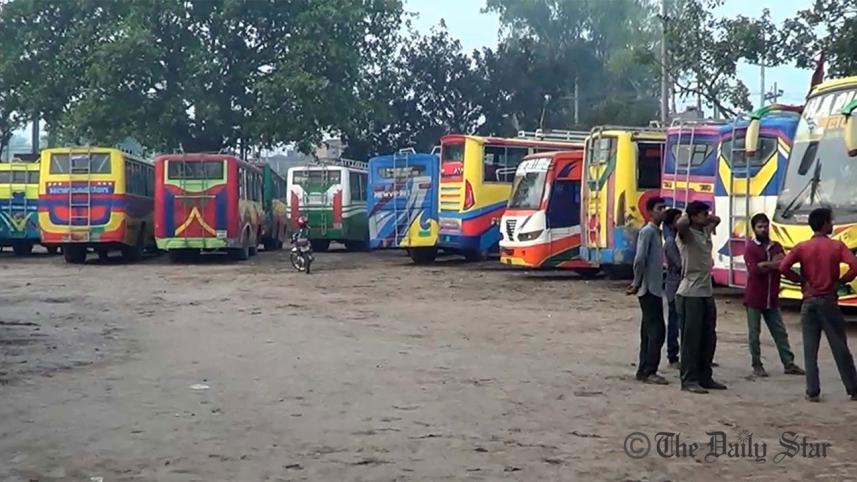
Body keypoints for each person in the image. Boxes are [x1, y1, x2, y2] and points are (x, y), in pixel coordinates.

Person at [780, 208, 857, 402]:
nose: (832, 224)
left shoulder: (802, 247)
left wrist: (800, 281)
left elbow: (783, 267)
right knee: (840, 347)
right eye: (830, 221)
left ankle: (812, 391)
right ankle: (853, 388)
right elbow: (855, 265)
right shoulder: (836, 246)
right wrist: (842, 281)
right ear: (824, 224)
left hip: (808, 301)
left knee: (810, 349)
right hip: (829, 300)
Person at [743, 213, 804, 378]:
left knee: (780, 332)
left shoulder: (776, 245)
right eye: (760, 227)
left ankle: (789, 363)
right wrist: (775, 264)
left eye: (765, 226)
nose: (763, 230)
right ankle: (757, 364)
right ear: (754, 229)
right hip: (755, 298)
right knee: (754, 334)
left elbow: (784, 266)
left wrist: (769, 265)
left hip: (772, 297)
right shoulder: (750, 247)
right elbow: (755, 270)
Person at [675, 201, 726, 394]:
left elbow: (718, 220)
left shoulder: (704, 231)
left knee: (708, 338)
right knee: (691, 339)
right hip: (690, 292)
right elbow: (680, 225)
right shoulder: (686, 236)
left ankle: (705, 376)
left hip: (706, 292)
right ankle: (689, 379)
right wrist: (689, 214)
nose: (707, 216)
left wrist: (707, 218)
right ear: (694, 217)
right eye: (703, 214)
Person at [626, 196, 668, 385]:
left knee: (648, 331)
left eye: (664, 208)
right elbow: (640, 259)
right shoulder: (648, 232)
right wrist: (636, 282)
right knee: (657, 331)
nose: (663, 211)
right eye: (659, 208)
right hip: (649, 288)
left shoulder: (657, 233)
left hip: (654, 288)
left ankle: (643, 369)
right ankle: (650, 370)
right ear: (650, 212)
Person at [663, 208, 683, 369]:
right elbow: (679, 264)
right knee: (675, 322)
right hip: (674, 285)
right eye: (677, 219)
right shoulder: (670, 242)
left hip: (679, 284)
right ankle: (673, 356)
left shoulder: (678, 239)